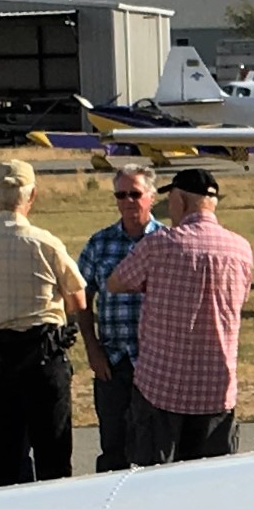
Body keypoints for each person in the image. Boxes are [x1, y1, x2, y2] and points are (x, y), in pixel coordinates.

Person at [106, 164, 253, 464]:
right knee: (209, 481)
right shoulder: (241, 249)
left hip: (162, 387)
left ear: (180, 200)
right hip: (216, 389)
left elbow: (115, 282)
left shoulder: (159, 244)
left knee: (153, 479)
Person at [0, 158, 88, 486]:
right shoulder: (44, 242)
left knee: (4, 451)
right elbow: (78, 299)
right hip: (42, 355)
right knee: (52, 453)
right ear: (32, 196)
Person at [77, 162, 160, 474]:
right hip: (112, 362)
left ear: (151, 197)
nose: (128, 201)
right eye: (120, 195)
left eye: (135, 194)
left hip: (155, 362)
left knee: (155, 448)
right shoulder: (100, 243)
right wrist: (92, 348)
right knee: (113, 448)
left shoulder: (167, 241)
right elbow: (80, 296)